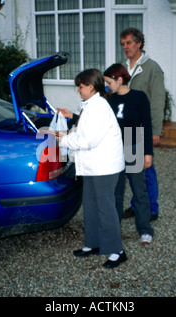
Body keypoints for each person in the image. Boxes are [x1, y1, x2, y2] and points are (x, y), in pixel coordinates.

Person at [56, 69, 127, 269]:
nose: (78, 90)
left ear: (91, 86)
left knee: (105, 209)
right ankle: (94, 244)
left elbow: (88, 140)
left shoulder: (99, 107)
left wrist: (64, 140)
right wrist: (70, 128)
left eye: (81, 86)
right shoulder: (89, 105)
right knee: (91, 206)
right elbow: (83, 131)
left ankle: (117, 251)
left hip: (104, 166)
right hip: (93, 166)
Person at [104, 63, 155, 244]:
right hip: (115, 149)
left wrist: (147, 153)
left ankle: (145, 229)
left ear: (119, 79)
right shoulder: (109, 100)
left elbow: (147, 126)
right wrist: (73, 117)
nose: (107, 86)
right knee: (115, 193)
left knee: (139, 191)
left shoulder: (139, 97)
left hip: (134, 143)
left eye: (109, 82)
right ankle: (114, 229)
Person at [120, 27, 166, 222]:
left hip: (141, 128)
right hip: (125, 128)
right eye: (123, 44)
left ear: (139, 43)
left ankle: (152, 209)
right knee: (132, 170)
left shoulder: (152, 68)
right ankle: (136, 204)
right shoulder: (122, 68)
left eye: (129, 43)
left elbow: (157, 101)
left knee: (146, 169)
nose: (126, 47)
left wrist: (155, 130)